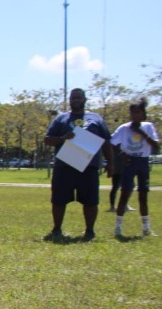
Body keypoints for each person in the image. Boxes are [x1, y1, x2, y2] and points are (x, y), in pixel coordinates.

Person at [43, 88, 113, 241]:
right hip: (64, 166)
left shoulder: (95, 118)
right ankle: (56, 229)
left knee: (91, 201)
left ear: (85, 99)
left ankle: (89, 232)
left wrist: (110, 162)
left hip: (88, 167)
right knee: (59, 200)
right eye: (73, 98)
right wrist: (63, 138)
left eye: (79, 97)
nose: (76, 100)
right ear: (69, 100)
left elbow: (106, 142)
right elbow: (47, 139)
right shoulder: (61, 118)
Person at [111, 97, 159, 237]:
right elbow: (112, 143)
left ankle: (146, 228)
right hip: (129, 163)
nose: (135, 115)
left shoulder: (148, 126)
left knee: (143, 196)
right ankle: (118, 227)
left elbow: (156, 145)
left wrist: (141, 133)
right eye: (132, 112)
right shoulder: (124, 128)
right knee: (125, 194)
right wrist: (122, 155)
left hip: (143, 162)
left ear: (143, 113)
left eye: (138, 112)